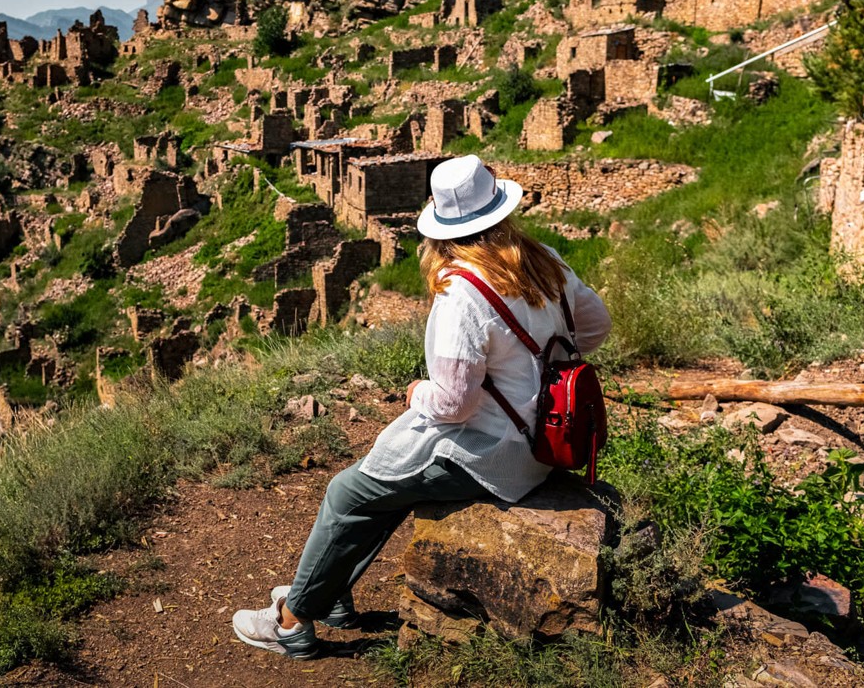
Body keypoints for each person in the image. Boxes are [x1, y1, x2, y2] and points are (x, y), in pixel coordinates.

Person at [231, 154, 612, 659]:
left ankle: (292, 622)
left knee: (348, 492)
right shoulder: (543, 261)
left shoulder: (463, 293)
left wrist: (416, 393)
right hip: (544, 440)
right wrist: (535, 370)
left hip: (494, 456)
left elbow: (454, 403)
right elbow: (596, 327)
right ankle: (331, 596)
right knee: (380, 483)